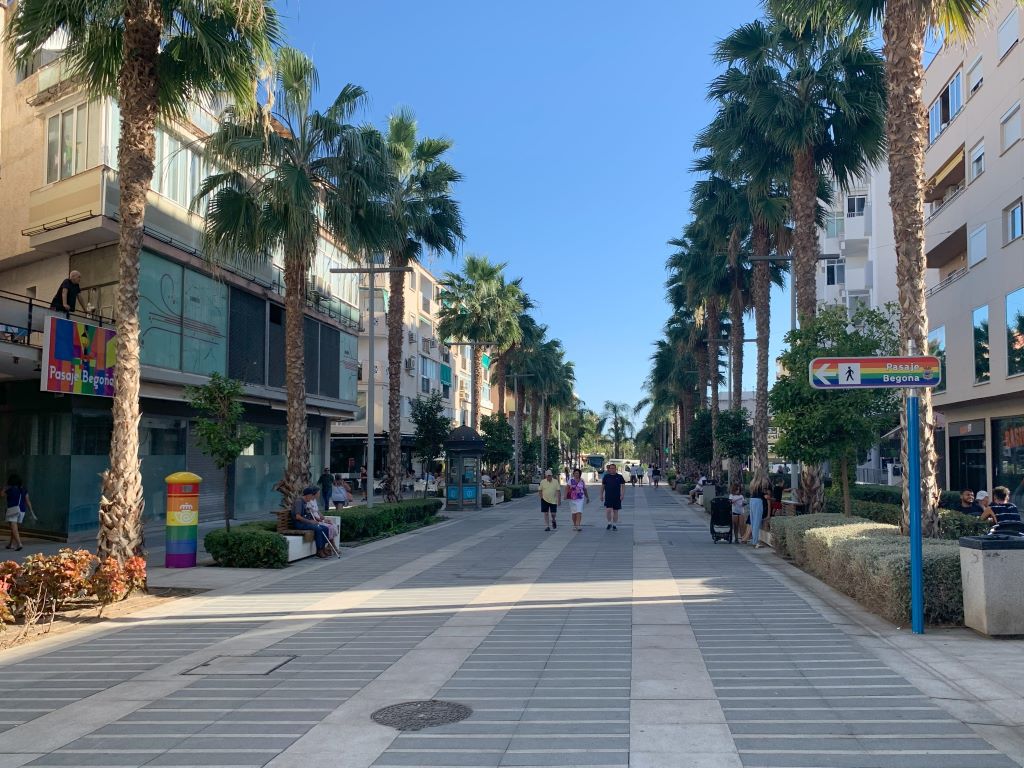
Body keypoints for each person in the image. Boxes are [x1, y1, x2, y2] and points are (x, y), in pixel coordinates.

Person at [291, 486, 332, 558]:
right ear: (308, 495)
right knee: (318, 529)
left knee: (325, 528)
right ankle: (319, 550)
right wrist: (310, 522)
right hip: (299, 524)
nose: (312, 498)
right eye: (312, 496)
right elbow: (298, 517)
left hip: (305, 523)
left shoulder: (305, 502)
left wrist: (317, 519)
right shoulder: (299, 502)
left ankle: (323, 548)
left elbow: (308, 514)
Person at [4, 474, 30, 551]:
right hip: (22, 510)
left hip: (13, 510)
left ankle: (19, 544)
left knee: (13, 527)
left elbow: (1, 495)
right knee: (14, 528)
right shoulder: (23, 490)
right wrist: (31, 511)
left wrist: (4, 488)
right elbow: (27, 501)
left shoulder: (10, 489)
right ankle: (10, 544)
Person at [601, 463, 627, 531]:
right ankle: (609, 523)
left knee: (615, 511)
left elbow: (623, 486)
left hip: (617, 497)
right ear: (609, 469)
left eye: (613, 468)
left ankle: (614, 525)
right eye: (611, 468)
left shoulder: (619, 476)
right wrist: (601, 495)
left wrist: (622, 494)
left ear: (616, 469)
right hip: (608, 496)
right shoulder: (606, 476)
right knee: (608, 510)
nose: (612, 469)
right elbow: (602, 486)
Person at [747, 482, 769, 548]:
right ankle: (755, 542)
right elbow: (766, 496)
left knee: (753, 522)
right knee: (757, 522)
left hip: (752, 500)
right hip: (758, 501)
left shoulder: (753, 482)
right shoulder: (763, 482)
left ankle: (754, 541)